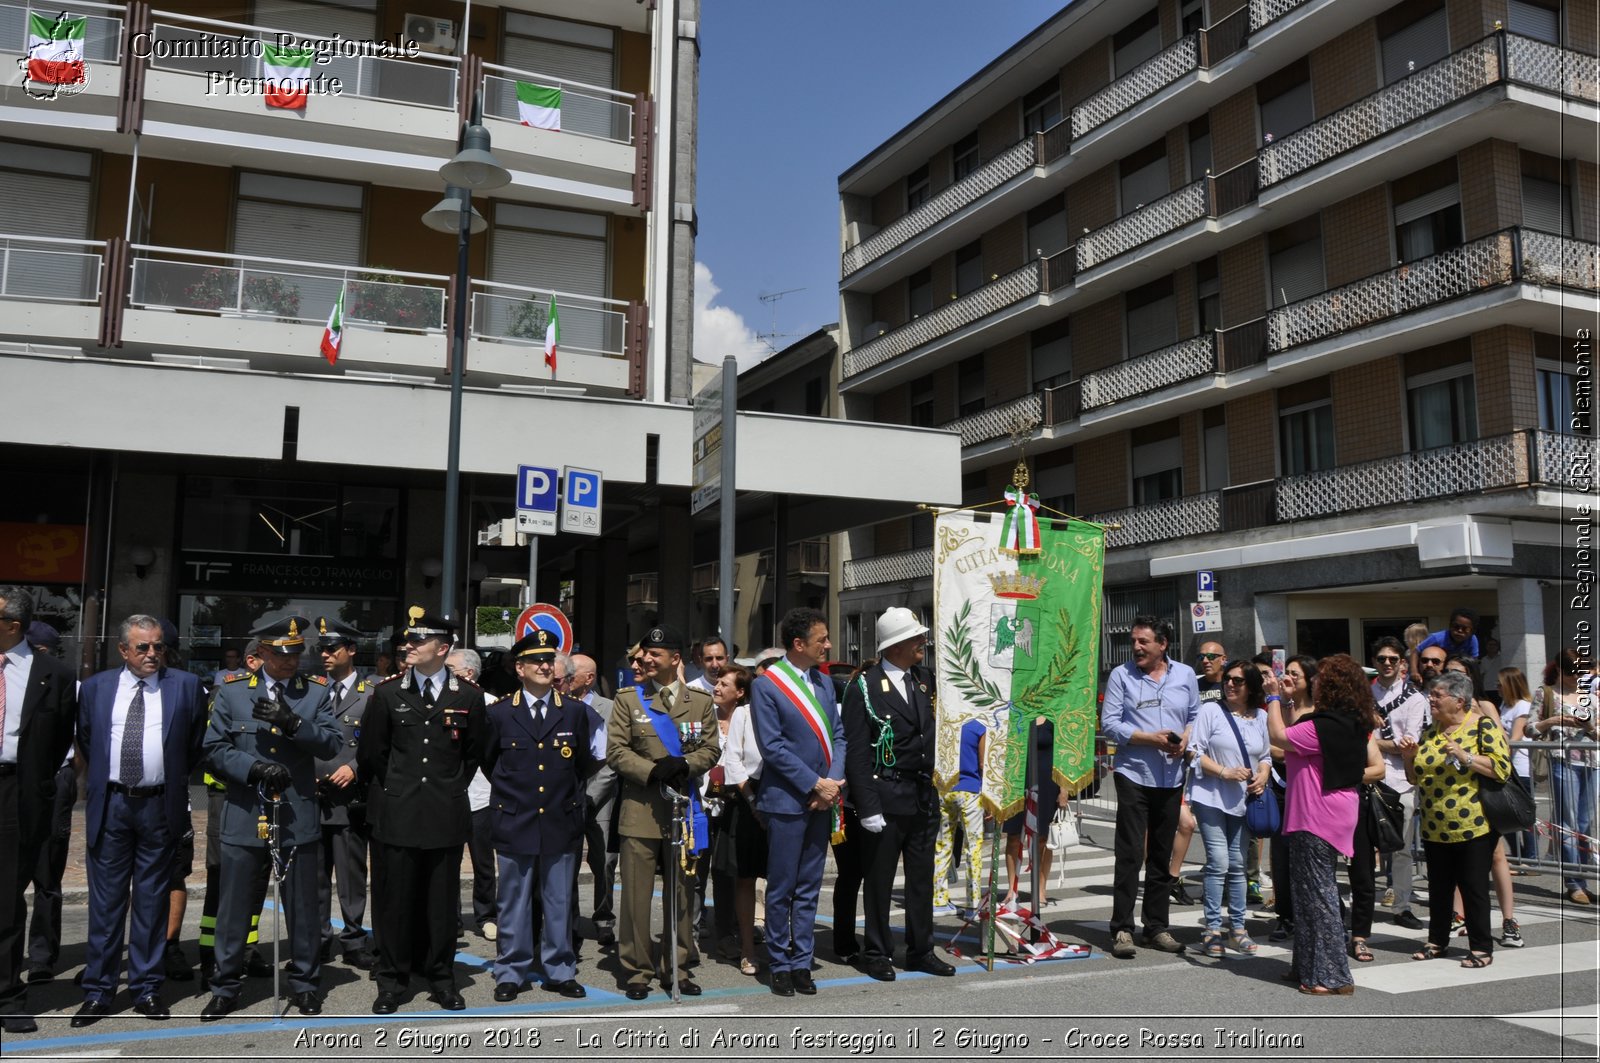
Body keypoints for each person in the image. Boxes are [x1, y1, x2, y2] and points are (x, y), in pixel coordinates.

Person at [200, 617, 341, 1021]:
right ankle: (226, 986)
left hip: (297, 814)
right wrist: (253, 767)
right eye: (281, 654)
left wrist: (293, 723)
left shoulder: (315, 693)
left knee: (303, 908)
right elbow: (213, 748)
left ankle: (305, 983)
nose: (289, 662)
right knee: (234, 907)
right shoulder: (231, 693)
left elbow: (332, 743)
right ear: (260, 653)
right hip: (246, 812)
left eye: (295, 654)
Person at [71, 614, 206, 1026]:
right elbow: (88, 739)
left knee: (151, 901)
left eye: (159, 646)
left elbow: (194, 744)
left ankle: (147, 987)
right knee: (107, 903)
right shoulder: (96, 688)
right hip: (111, 804)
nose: (153, 654)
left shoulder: (184, 685)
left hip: (158, 806)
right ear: (124, 650)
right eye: (143, 647)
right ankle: (99, 990)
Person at [359, 608, 486, 1014]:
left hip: (444, 812)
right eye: (407, 640)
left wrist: (447, 789)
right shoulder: (388, 693)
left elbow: (473, 753)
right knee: (394, 901)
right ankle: (392, 980)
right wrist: (400, 788)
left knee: (441, 903)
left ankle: (441, 977)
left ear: (443, 648)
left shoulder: (468, 695)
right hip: (397, 811)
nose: (408, 646)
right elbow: (373, 754)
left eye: (419, 640)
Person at [840, 607, 956, 981]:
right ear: (895, 645)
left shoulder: (925, 679)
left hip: (921, 794)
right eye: (915, 638)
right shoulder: (865, 686)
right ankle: (876, 950)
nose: (923, 642)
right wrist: (868, 805)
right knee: (879, 879)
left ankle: (921, 949)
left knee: (921, 879)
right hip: (885, 793)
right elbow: (857, 751)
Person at [607, 625, 721, 1000]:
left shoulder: (700, 702)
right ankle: (637, 969)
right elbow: (617, 751)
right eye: (645, 654)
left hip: (683, 811)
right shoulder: (629, 699)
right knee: (636, 896)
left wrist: (686, 766)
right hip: (640, 808)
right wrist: (652, 771)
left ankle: (679, 965)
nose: (646, 659)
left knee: (683, 894)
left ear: (676, 659)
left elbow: (709, 749)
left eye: (656, 654)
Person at [483, 631, 595, 1001]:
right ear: (519, 668)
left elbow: (581, 765)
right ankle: (511, 970)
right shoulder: (499, 713)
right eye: (536, 661)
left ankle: (559, 969)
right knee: (513, 899)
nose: (545, 666)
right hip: (515, 817)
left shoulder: (575, 711)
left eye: (549, 661)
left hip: (560, 819)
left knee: (559, 898)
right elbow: (489, 762)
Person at [1266, 654, 1380, 996]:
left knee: (1319, 895)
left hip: (1318, 814)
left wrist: (1272, 696)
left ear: (1330, 686)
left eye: (1321, 678)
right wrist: (1286, 701)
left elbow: (1279, 736)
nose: (1314, 680)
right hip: (1328, 810)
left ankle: (1334, 977)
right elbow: (1293, 737)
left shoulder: (1324, 726)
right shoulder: (1346, 721)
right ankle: (1306, 965)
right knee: (1306, 893)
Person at [751, 607, 846, 996]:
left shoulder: (824, 683)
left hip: (822, 800)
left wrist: (832, 785)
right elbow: (772, 747)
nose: (828, 645)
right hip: (788, 800)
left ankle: (803, 961)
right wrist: (814, 784)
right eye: (821, 639)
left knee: (810, 885)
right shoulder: (768, 685)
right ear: (798, 644)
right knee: (782, 887)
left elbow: (839, 734)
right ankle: (779, 962)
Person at [1100, 615, 1199, 958]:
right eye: (1134, 640)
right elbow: (1110, 724)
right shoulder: (1121, 675)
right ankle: (1123, 928)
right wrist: (1148, 738)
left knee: (1162, 852)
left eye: (1144, 641)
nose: (1136, 647)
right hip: (1134, 772)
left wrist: (1186, 738)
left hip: (1171, 776)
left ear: (1163, 644)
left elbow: (1195, 716)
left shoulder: (1185, 674)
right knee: (1130, 853)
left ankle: (1156, 926)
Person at [0, 590, 76, 1034]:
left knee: (7, 897)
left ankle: (8, 995)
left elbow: (57, 742)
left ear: (13, 625)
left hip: (15, 791)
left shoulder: (54, 674)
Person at [1403, 670, 1511, 969]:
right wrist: (1410, 757)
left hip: (1473, 824)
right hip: (1435, 826)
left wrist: (1465, 756)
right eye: (1431, 695)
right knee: (1439, 888)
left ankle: (1481, 947)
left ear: (1459, 700)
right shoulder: (1431, 731)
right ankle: (1437, 941)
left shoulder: (1481, 726)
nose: (1431, 700)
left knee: (1473, 887)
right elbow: (1416, 778)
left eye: (1437, 696)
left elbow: (1501, 768)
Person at [1190, 660, 1271, 958]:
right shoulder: (1210, 711)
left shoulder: (1260, 716)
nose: (1230, 684)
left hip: (1243, 799)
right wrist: (1223, 772)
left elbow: (1265, 755)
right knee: (1219, 862)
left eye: (1238, 680)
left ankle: (1237, 928)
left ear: (1251, 686)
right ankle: (1211, 929)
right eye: (1228, 679)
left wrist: (1263, 775)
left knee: (1238, 865)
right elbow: (1194, 752)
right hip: (1210, 796)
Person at [313, 617, 377, 970]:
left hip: (350, 798)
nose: (324, 654)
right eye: (321, 649)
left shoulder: (371, 692)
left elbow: (378, 744)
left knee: (352, 876)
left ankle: (353, 939)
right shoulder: (311, 689)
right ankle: (320, 938)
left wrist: (353, 767)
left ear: (351, 650)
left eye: (331, 648)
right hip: (314, 797)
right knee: (315, 876)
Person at [1445, 656, 1522, 947]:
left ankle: (1509, 920)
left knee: (1497, 856)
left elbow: (1502, 746)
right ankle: (1459, 915)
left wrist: (1474, 725)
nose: (1452, 677)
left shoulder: (1484, 706)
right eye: (1448, 672)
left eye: (1458, 673)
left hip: (1486, 791)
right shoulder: (1441, 711)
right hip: (1455, 794)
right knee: (1457, 857)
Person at [22, 622, 75, 985]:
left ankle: (42, 956)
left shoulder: (67, 681)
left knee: (46, 873)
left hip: (54, 780)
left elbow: (78, 739)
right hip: (14, 782)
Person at [1369, 637, 1427, 934]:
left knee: (1403, 848)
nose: (1388, 663)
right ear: (1375, 661)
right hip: (1369, 777)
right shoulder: (1364, 696)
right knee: (1364, 847)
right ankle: (1364, 904)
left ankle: (1401, 905)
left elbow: (1409, 744)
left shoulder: (1416, 699)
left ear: (1402, 663)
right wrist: (1386, 744)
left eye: (1393, 659)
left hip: (1402, 781)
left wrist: (1376, 742)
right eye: (1382, 659)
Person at [710, 665, 766, 975]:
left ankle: (775, 942)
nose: (716, 686)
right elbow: (729, 761)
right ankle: (738, 944)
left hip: (766, 796)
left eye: (724, 683)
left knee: (773, 878)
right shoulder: (725, 717)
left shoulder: (759, 714)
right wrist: (753, 802)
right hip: (733, 800)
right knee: (733, 875)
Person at [1529, 650, 1597, 904]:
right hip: (1562, 761)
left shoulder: (1589, 695)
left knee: (1586, 822)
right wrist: (1554, 721)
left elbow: (1598, 731)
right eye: (1573, 673)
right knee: (1568, 824)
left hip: (1591, 762)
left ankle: (1585, 877)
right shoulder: (1546, 693)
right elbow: (1530, 728)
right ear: (1559, 670)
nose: (1578, 678)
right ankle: (1574, 882)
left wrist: (1589, 727)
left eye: (1582, 673)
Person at [568, 652, 618, 946]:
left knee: (605, 861)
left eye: (571, 675)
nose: (564, 679)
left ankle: (603, 918)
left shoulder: (609, 709)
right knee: (567, 862)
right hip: (567, 796)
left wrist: (589, 797)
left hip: (600, 797)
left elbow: (611, 760)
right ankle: (570, 920)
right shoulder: (559, 704)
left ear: (588, 679)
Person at [1266, 654, 1316, 942]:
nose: (1289, 678)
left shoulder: (1316, 710)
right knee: (1282, 855)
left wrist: (1288, 747)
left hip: (1310, 791)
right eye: (1288, 673)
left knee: (1309, 856)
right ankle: (1285, 916)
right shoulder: (1283, 705)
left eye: (1296, 674)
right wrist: (1283, 701)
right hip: (1283, 789)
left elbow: (1289, 743)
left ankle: (1311, 911)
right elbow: (1275, 745)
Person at [449, 647, 498, 942]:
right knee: (449, 861)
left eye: (451, 669)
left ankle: (486, 914)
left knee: (483, 862)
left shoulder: (492, 704)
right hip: (451, 795)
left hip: (483, 796)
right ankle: (451, 917)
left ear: (468, 673)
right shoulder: (445, 701)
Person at [932, 714, 986, 917]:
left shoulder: (945, 723)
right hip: (970, 789)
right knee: (973, 847)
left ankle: (939, 898)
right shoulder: (979, 726)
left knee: (943, 844)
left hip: (945, 788)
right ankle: (972, 903)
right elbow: (982, 764)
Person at [1497, 667, 1538, 868]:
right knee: (1505, 815)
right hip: (1505, 767)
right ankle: (1519, 855)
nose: (1497, 687)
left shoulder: (1522, 706)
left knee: (1523, 814)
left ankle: (1530, 858)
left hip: (1519, 768)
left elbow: (1515, 738)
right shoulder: (1505, 705)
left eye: (1500, 684)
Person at [1410, 609, 1479, 678]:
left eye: (1465, 629)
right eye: (1456, 626)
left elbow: (1473, 662)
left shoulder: (1472, 640)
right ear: (1450, 625)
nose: (1459, 630)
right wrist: (1414, 671)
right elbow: (1415, 652)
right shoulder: (1437, 638)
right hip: (1436, 674)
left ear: (1472, 631)